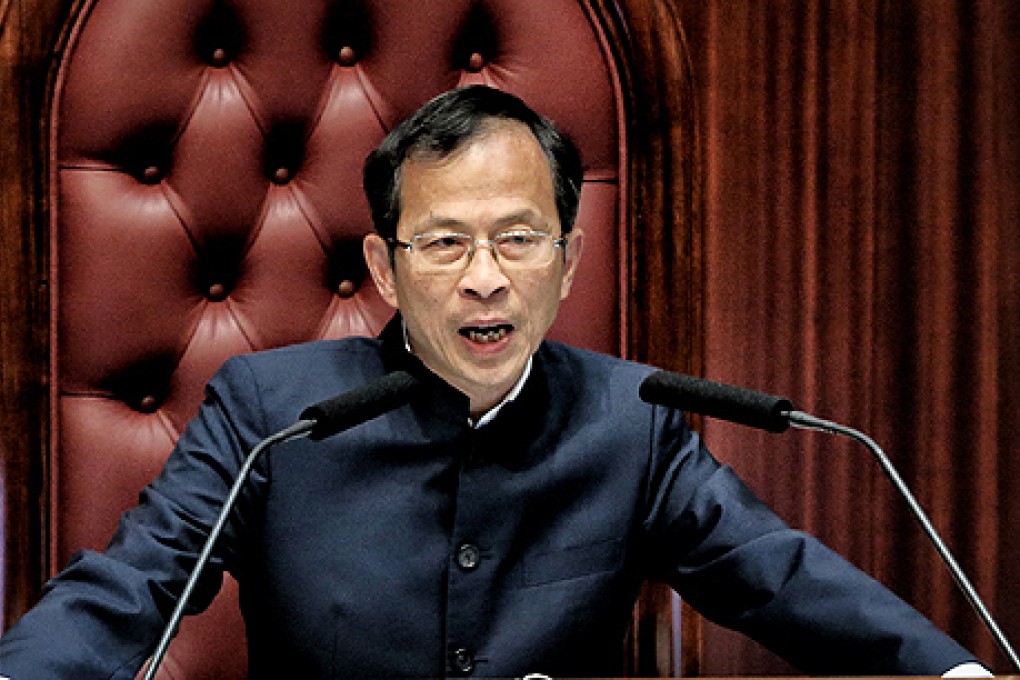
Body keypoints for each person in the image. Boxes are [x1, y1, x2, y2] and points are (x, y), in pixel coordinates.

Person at [0, 85, 990, 679]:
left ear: (565, 263)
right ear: (385, 269)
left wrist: (950, 670)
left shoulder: (630, 420)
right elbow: (130, 590)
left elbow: (779, 576)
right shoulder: (268, 411)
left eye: (520, 238)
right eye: (445, 242)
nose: (486, 274)